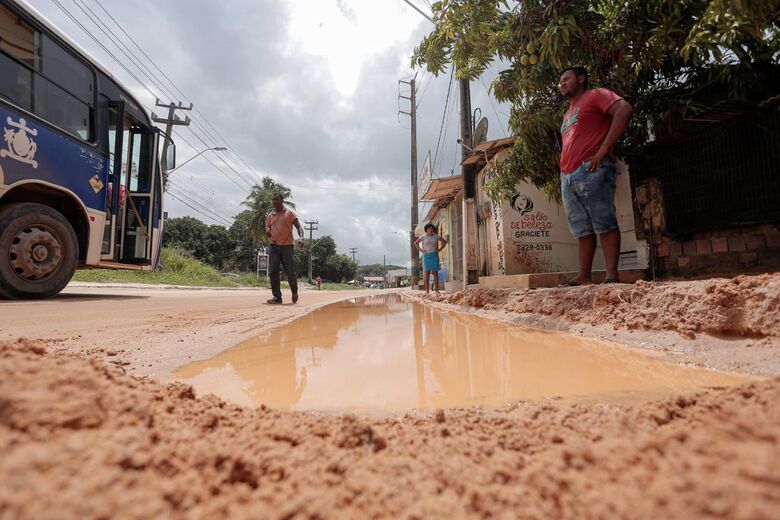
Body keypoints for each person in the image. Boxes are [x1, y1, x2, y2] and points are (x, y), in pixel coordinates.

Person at [558, 66, 633, 286]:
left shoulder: (596, 94)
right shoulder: (567, 113)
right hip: (568, 176)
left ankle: (611, 276)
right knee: (582, 230)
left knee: (604, 221)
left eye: (567, 79)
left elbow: (624, 109)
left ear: (581, 79)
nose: (562, 83)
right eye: (560, 81)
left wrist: (603, 149)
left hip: (591, 168)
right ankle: (584, 276)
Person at [264, 193, 304, 304]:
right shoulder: (270, 215)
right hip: (274, 245)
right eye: (273, 200)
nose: (274, 202)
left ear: (282, 201)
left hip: (287, 246)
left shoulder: (289, 213)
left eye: (277, 199)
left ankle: (294, 291)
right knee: (273, 271)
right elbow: (267, 226)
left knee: (289, 271)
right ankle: (277, 297)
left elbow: (298, 226)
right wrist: (267, 230)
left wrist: (301, 238)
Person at [414, 223, 447, 293]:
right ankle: (427, 290)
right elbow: (415, 243)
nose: (431, 230)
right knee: (427, 273)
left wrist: (440, 249)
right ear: (426, 230)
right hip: (426, 256)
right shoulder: (423, 236)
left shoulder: (436, 236)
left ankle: (437, 290)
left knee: (435, 273)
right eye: (429, 228)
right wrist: (421, 250)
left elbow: (444, 242)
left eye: (432, 228)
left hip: (434, 256)